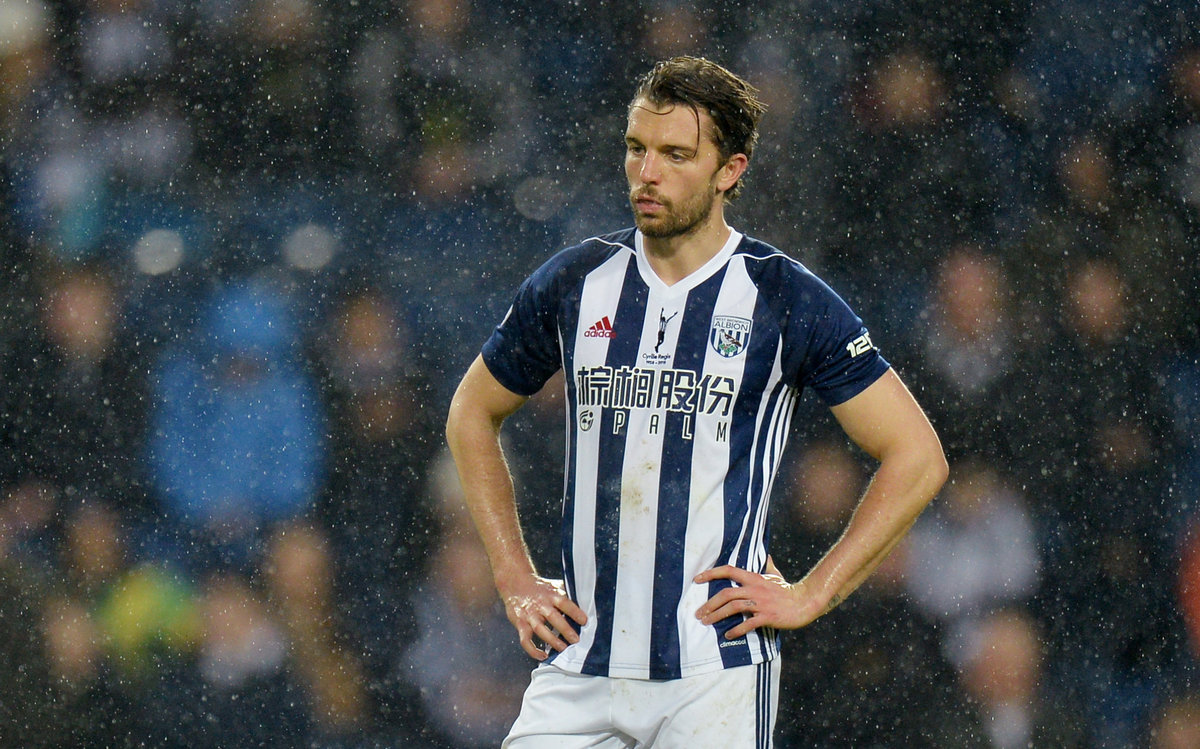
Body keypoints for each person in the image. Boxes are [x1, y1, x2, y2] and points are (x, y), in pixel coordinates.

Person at [444, 56, 948, 748]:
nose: (647, 173)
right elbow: (472, 412)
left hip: (714, 671)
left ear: (730, 171)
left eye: (676, 155)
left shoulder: (784, 297)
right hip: (579, 663)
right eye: (637, 148)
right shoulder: (575, 282)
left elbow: (917, 457)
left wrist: (812, 592)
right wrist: (513, 577)